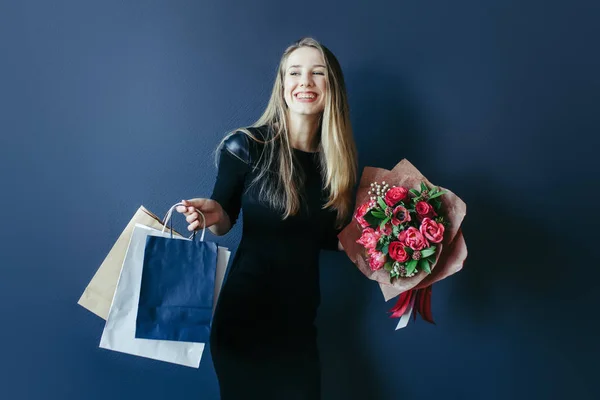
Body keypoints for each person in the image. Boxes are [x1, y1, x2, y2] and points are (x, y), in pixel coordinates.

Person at [176, 37, 358, 400]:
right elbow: (223, 217)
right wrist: (212, 214)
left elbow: (328, 237)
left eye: (317, 73)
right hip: (245, 321)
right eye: (295, 72)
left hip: (300, 327)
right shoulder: (246, 146)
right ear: (283, 85)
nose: (305, 81)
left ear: (331, 88)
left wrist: (396, 238)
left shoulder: (336, 167)